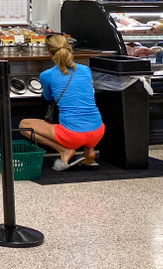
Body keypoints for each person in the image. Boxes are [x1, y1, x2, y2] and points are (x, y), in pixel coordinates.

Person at [19, 33, 105, 171]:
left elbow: (48, 97)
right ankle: (89, 151)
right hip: (98, 130)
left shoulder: (46, 75)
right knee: (84, 112)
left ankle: (64, 150)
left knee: (24, 125)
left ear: (49, 54)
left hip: (72, 135)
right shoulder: (86, 69)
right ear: (70, 50)